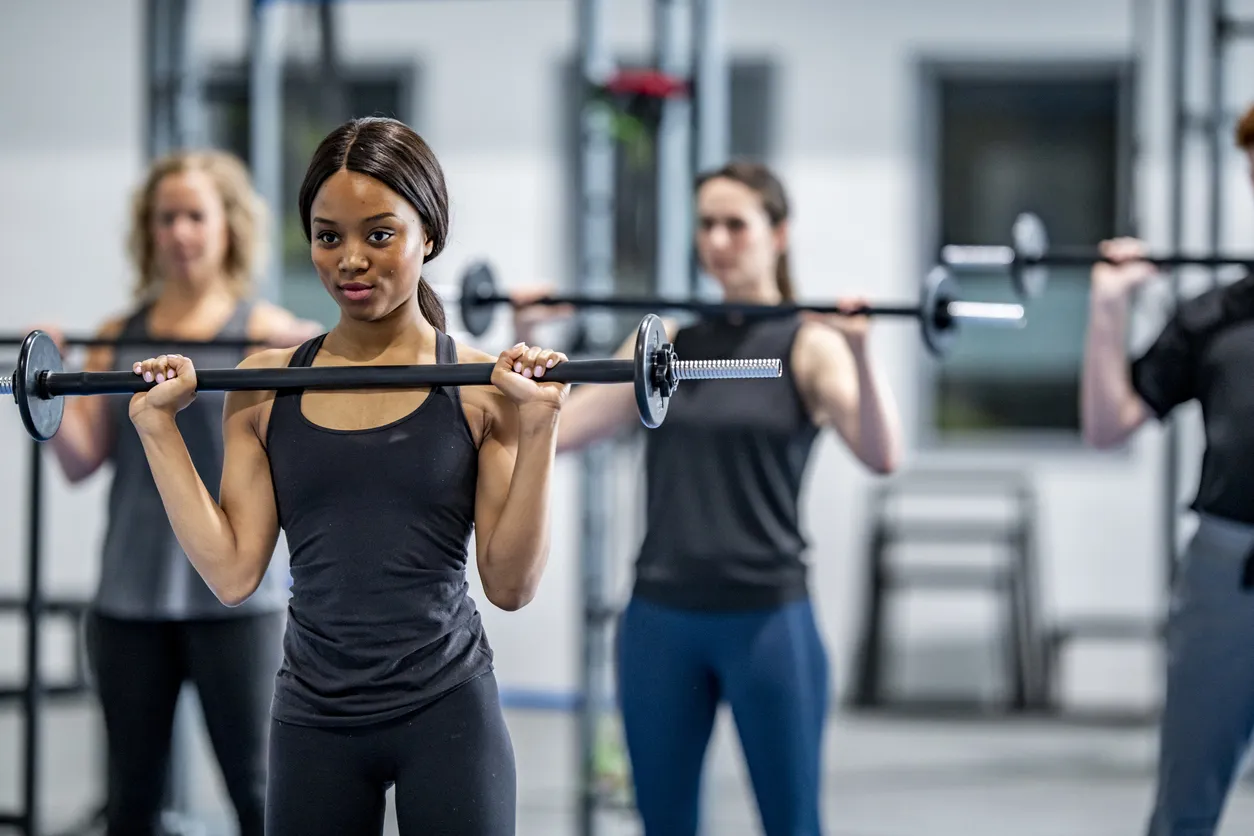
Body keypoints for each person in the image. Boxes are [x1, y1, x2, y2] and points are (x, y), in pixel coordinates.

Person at [126, 116, 570, 836]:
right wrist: (158, 431)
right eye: (329, 236)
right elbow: (235, 573)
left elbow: (511, 586)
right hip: (314, 717)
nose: (351, 259)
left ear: (429, 234)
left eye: (379, 234)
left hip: (446, 708)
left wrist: (541, 426)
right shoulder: (266, 385)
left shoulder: (481, 388)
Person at [511, 160, 903, 836]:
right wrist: (532, 339)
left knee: (794, 824)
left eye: (735, 225)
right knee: (664, 825)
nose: (718, 240)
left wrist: (863, 353)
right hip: (662, 617)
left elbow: (882, 453)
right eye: (706, 226)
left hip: (767, 620)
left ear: (777, 235)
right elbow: (558, 433)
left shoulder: (809, 347)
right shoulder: (664, 345)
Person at [41, 148, 321, 836]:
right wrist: (43, 382)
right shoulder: (115, 337)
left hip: (235, 600)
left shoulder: (270, 337)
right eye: (167, 218)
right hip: (129, 600)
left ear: (227, 226)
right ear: (149, 231)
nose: (181, 232)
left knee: (259, 795)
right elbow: (81, 462)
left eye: (195, 215)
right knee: (131, 802)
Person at [1080, 102, 1254, 836]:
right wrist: (1108, 312)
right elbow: (1107, 426)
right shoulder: (1211, 315)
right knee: (1184, 811)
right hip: (1227, 570)